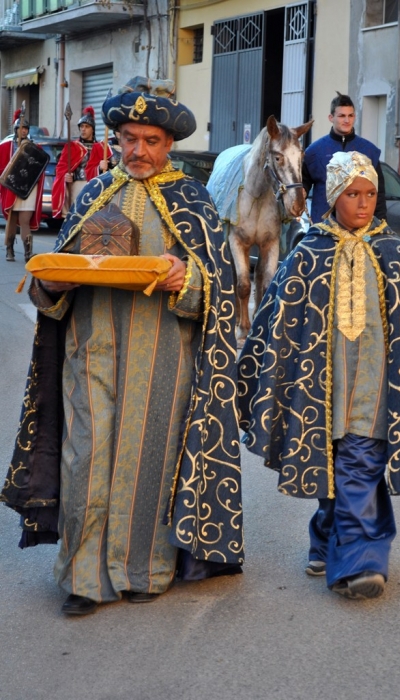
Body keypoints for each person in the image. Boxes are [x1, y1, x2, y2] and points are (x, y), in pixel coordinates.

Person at [1, 76, 244, 616]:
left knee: (147, 465)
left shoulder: (193, 200)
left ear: (168, 144)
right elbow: (52, 279)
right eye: (129, 138)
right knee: (84, 458)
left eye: (151, 140)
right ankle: (83, 579)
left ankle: (141, 571)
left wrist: (191, 279)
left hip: (165, 360)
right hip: (90, 356)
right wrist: (51, 284)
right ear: (116, 139)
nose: (138, 150)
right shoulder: (91, 194)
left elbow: (220, 288)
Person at [237, 151, 400, 600]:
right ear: (334, 195)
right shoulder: (309, 252)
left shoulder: (396, 254)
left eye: (370, 193)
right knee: (332, 470)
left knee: (360, 465)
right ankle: (325, 537)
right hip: (320, 391)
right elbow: (276, 322)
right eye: (352, 194)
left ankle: (362, 563)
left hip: (380, 388)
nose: (363, 203)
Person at [303, 91, 387, 224]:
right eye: (342, 116)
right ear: (331, 117)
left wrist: (381, 223)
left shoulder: (369, 151)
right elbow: (303, 184)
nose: (347, 120)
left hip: (360, 228)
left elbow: (379, 192)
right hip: (324, 227)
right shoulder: (314, 151)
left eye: (350, 115)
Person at [0, 111, 45, 262]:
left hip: (28, 188)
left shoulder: (34, 147)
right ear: (15, 129)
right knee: (12, 219)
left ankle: (28, 252)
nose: (24, 130)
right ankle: (9, 249)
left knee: (25, 220)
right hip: (12, 188)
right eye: (21, 127)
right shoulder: (6, 146)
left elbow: (39, 168)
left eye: (26, 128)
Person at [51, 105, 109, 219]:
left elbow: (110, 170)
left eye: (86, 126)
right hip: (77, 185)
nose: (83, 129)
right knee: (76, 217)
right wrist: (66, 176)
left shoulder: (101, 147)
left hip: (94, 186)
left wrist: (104, 166)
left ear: (92, 128)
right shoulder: (72, 146)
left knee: (91, 218)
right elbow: (60, 167)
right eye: (81, 126)